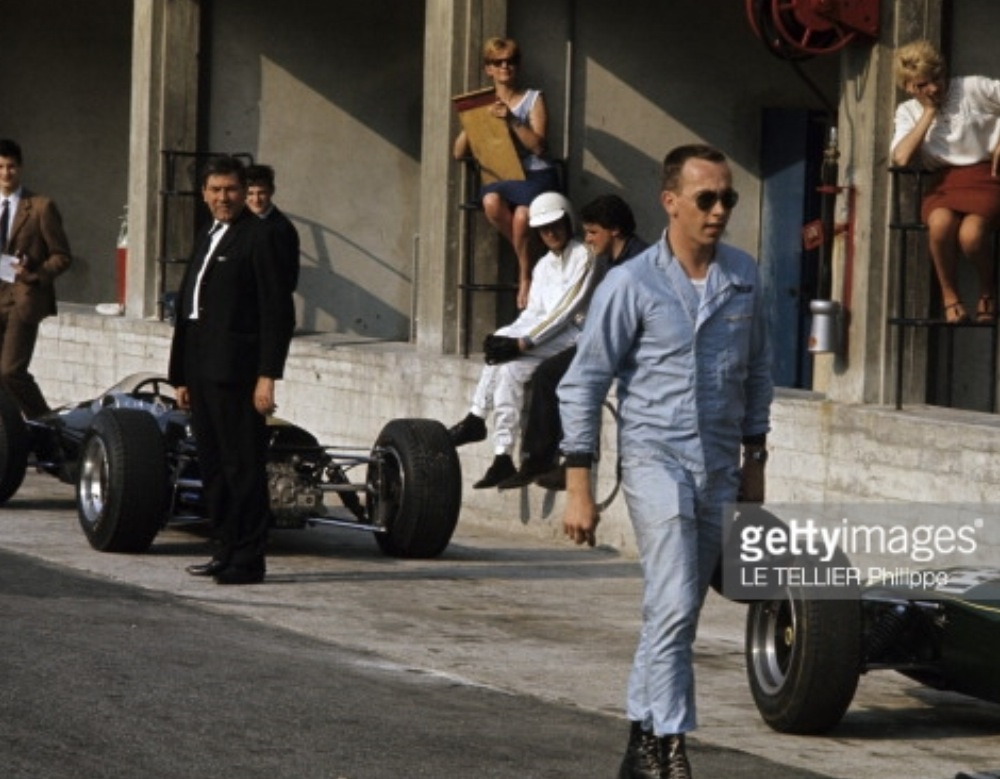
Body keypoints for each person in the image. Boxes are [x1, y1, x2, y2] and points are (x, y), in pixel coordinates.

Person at [558, 145, 773, 779]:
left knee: (673, 609)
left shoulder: (744, 276)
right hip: (655, 460)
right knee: (675, 604)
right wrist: (578, 485)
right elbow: (583, 382)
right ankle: (674, 747)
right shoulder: (630, 284)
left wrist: (755, 460)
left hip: (719, 467)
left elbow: (759, 370)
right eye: (706, 198)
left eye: (728, 198)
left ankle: (641, 744)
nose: (719, 210)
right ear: (670, 202)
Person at [169, 155, 295, 586]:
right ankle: (224, 548)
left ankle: (249, 558)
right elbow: (188, 310)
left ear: (243, 193)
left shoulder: (260, 238)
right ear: (203, 194)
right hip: (201, 369)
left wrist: (267, 375)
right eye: (215, 190)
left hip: (238, 373)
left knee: (243, 467)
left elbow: (277, 312)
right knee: (214, 466)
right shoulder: (208, 234)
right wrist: (180, 376)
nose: (223, 198)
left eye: (231, 190)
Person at [497, 193, 647, 491]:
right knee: (549, 373)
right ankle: (538, 460)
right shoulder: (610, 261)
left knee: (574, 381)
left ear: (614, 230)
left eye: (593, 232)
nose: (587, 239)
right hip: (604, 341)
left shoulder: (637, 265)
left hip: (627, 349)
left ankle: (572, 461)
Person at [449, 191, 593, 489]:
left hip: (575, 334)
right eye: (543, 228)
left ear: (568, 221)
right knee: (507, 367)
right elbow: (533, 314)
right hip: (544, 335)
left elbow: (565, 312)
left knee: (509, 353)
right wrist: (507, 338)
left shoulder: (584, 256)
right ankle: (502, 454)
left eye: (555, 225)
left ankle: (476, 418)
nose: (550, 233)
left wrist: (522, 343)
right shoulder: (543, 266)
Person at [890, 39, 1000, 324]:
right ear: (908, 87)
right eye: (922, 84)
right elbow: (901, 157)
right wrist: (928, 113)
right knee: (939, 224)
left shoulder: (972, 88)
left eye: (937, 78)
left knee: (971, 236)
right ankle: (950, 296)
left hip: (986, 176)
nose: (934, 88)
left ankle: (987, 289)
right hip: (944, 182)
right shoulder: (907, 112)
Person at [453, 36, 561, 309]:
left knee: (523, 217)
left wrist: (512, 119)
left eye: (511, 61)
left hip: (535, 173)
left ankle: (525, 275)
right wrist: (474, 119)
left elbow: (539, 147)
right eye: (497, 62)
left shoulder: (533, 98)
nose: (505, 66)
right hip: (502, 174)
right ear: (488, 68)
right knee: (491, 202)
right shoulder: (482, 102)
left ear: (518, 65)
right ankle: (534, 259)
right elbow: (458, 153)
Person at [0, 139, 72, 419]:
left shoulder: (41, 207)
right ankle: (12, 433)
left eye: (11, 167)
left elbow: (62, 256)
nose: (6, 173)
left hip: (22, 299)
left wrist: (35, 273)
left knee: (10, 371)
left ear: (20, 168)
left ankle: (47, 424)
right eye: (1, 167)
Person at [246, 163, 301, 295]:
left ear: (271, 191)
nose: (256, 199)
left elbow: (285, 279)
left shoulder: (281, 229)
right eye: (250, 193)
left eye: (261, 193)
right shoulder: (241, 222)